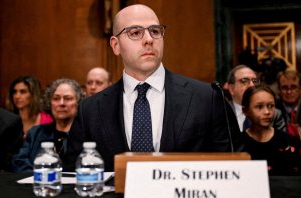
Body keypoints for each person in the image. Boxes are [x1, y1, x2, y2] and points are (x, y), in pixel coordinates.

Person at [64, 4, 243, 171]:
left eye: (155, 31)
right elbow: (75, 176)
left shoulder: (207, 98)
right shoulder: (90, 110)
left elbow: (234, 167)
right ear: (115, 45)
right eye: (135, 33)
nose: (149, 39)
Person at [12, 78, 83, 172]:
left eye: (68, 98)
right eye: (56, 98)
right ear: (49, 103)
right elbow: (18, 161)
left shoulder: (86, 134)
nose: (61, 103)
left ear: (79, 103)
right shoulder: (35, 133)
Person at [241, 86, 300, 175]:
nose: (267, 112)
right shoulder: (238, 143)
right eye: (259, 107)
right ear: (245, 111)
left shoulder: (288, 142)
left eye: (271, 106)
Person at [226, 65, 286, 133]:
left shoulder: (274, 114)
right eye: (244, 81)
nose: (252, 85)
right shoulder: (222, 112)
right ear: (231, 89)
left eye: (255, 81)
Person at [276, 70, 301, 140]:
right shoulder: (272, 110)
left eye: (294, 87)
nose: (289, 92)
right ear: (278, 90)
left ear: (300, 89)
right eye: (284, 87)